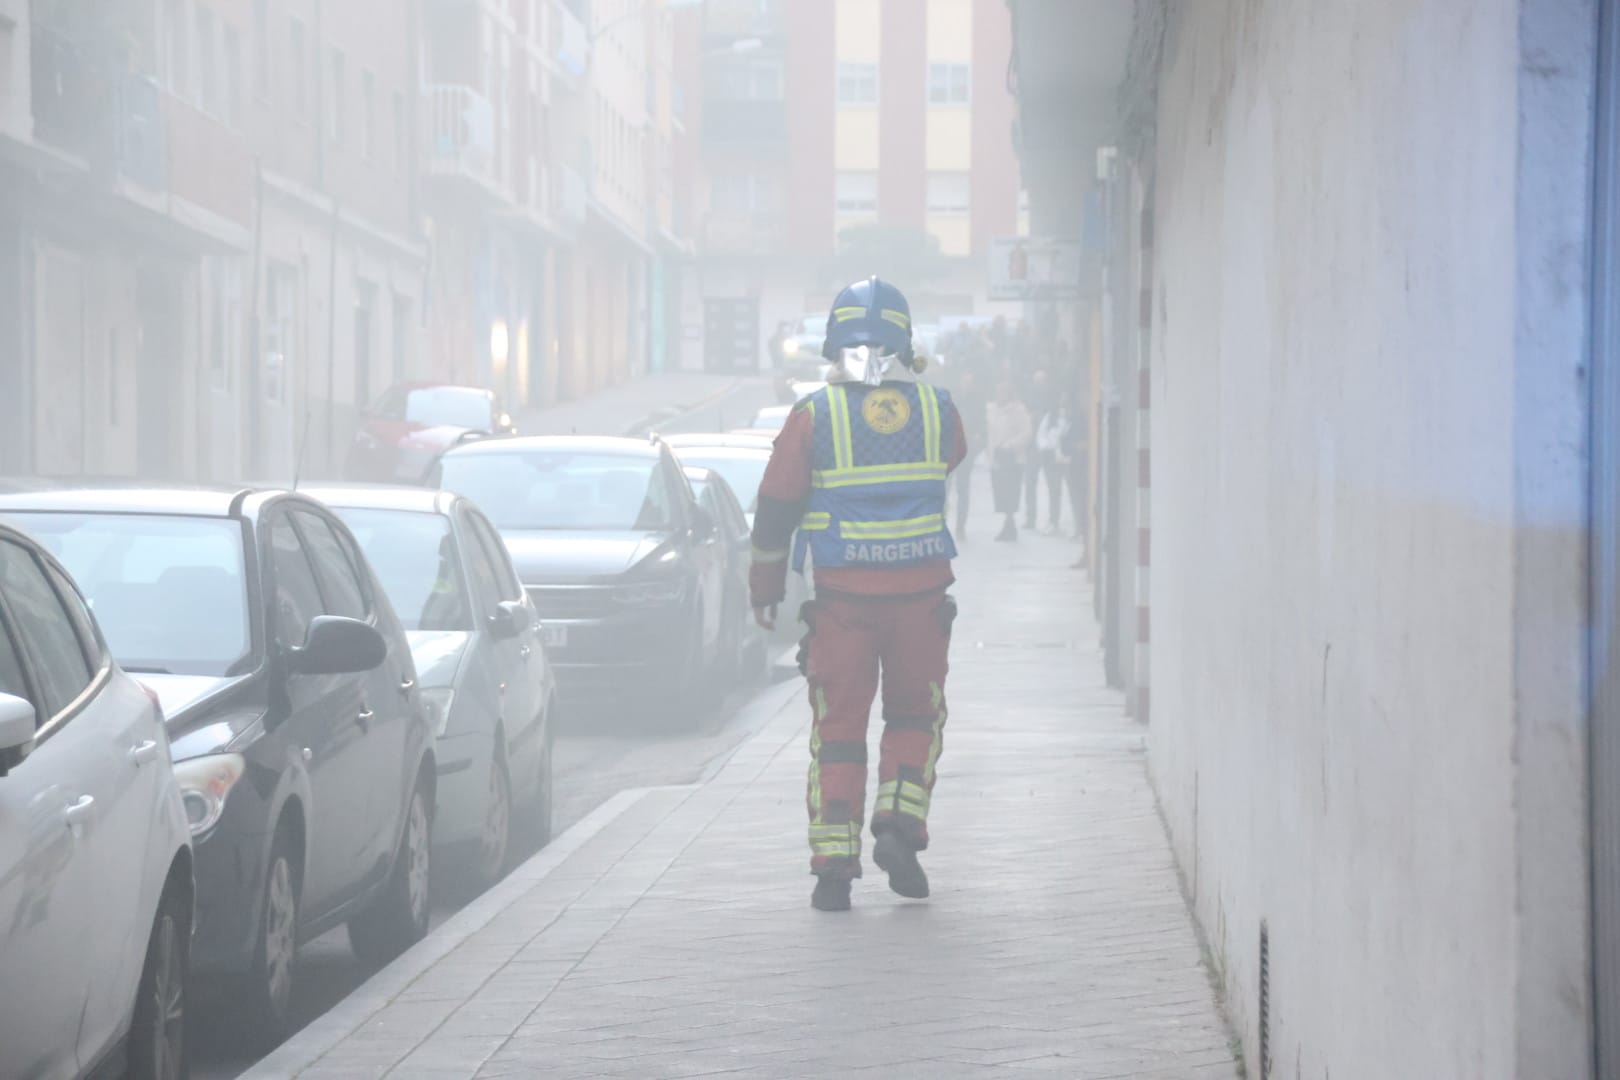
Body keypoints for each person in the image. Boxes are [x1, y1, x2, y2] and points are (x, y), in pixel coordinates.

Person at [748, 277, 968, 913]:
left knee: (838, 729)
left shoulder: (813, 416)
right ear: (906, 341)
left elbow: (776, 505)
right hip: (923, 601)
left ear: (833, 344)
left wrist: (765, 588)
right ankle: (899, 828)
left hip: (843, 603)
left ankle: (833, 872)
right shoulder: (938, 409)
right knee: (914, 718)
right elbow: (949, 457)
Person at [986, 379, 1033, 541]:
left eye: (1003, 392)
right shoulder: (990, 409)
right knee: (1001, 493)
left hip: (1013, 458)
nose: (1000, 395)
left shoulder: (1018, 410)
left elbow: (1027, 432)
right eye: (998, 392)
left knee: (1011, 492)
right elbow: (988, 433)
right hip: (996, 458)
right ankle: (1008, 525)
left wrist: (1010, 445)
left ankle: (1009, 525)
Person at [951, 371, 984, 539]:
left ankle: (960, 527)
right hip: (950, 450)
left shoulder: (977, 403)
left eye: (970, 382)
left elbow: (981, 426)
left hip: (965, 451)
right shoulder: (954, 398)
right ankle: (941, 522)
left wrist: (976, 442)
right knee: (945, 489)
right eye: (965, 381)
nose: (967, 385)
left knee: (963, 490)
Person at [1021, 368, 1050, 529]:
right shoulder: (1029, 398)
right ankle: (1030, 517)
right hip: (1032, 445)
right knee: (1030, 482)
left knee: (1053, 484)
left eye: (1041, 381)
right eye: (1036, 382)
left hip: (1048, 446)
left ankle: (1053, 519)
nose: (1039, 385)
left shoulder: (1050, 399)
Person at [1036, 402, 1069, 533]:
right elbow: (1040, 436)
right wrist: (1048, 447)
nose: (1062, 408)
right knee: (1053, 490)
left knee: (1072, 490)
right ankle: (1053, 520)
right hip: (1050, 458)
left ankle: (1079, 526)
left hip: (1066, 457)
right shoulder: (1049, 417)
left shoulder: (1071, 418)